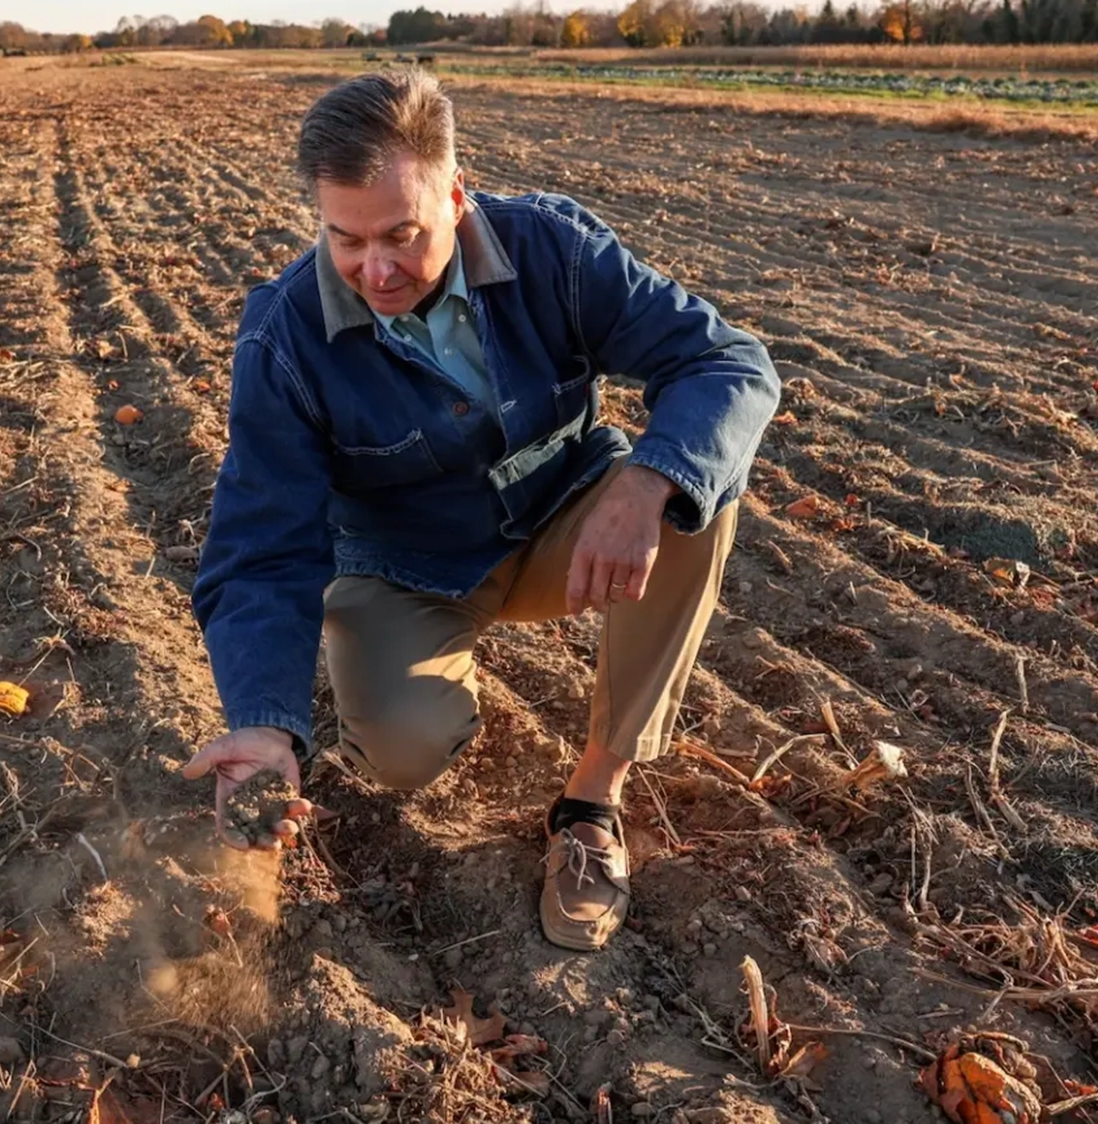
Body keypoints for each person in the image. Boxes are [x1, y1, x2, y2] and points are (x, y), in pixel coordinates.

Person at [184, 69, 780, 952]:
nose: (374, 270)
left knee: (698, 491)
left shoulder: (551, 249)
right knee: (404, 748)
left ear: (455, 197)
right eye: (344, 240)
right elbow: (261, 547)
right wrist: (267, 723)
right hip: (406, 564)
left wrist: (647, 479)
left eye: (401, 234)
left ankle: (589, 802)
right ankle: (414, 675)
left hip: (560, 524)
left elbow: (730, 364)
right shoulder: (285, 337)